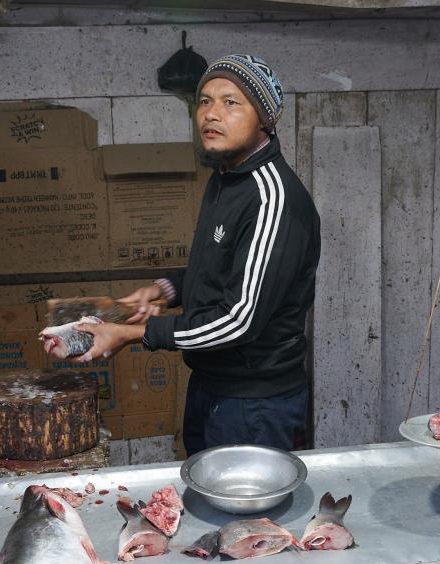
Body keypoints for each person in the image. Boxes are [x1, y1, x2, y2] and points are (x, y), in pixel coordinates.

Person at [76, 54, 320, 456]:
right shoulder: (226, 178)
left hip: (255, 404)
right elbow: (220, 270)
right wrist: (163, 290)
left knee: (252, 519)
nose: (211, 114)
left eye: (230, 102)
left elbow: (238, 321)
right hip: (212, 386)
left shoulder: (272, 199)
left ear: (263, 118)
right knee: (207, 510)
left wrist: (134, 333)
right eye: (204, 101)